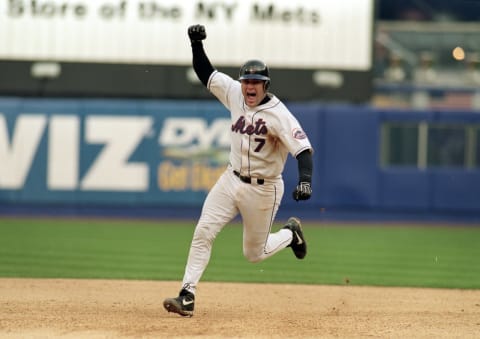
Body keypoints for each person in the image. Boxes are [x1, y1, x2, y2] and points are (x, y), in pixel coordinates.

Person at [163, 25, 314, 317]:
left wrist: (305, 181)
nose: (250, 86)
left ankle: (290, 233)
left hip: (264, 188)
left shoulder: (280, 115)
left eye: (256, 81)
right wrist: (196, 44)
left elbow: (303, 150)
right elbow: (206, 73)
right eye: (247, 80)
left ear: (266, 85)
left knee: (253, 254)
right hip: (230, 179)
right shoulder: (234, 93)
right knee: (203, 231)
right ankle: (187, 294)